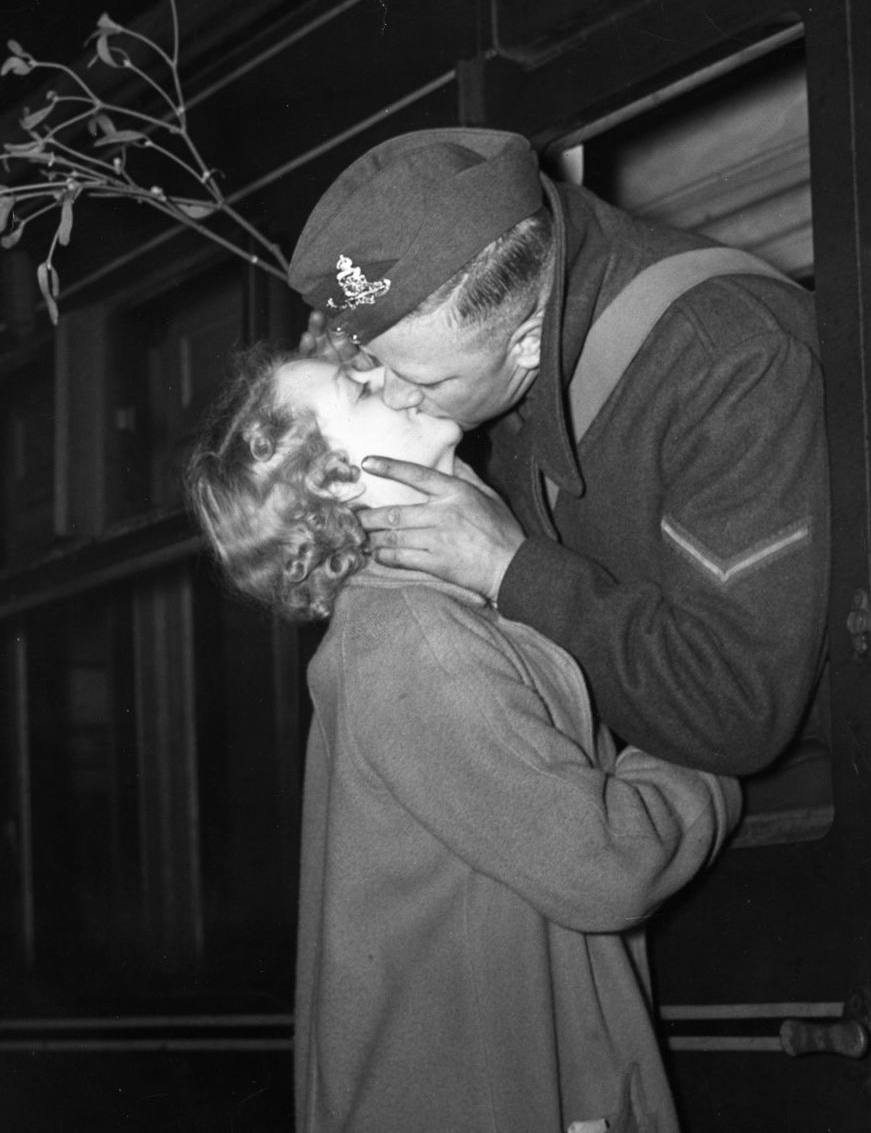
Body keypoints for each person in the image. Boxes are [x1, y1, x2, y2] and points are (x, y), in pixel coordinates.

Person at [185, 345, 741, 1133]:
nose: (396, 375)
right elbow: (607, 865)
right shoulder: (412, 640)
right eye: (360, 388)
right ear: (336, 488)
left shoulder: (429, 609)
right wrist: (713, 750)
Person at [287, 127, 830, 778]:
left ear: (527, 345)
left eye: (426, 382)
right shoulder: (490, 356)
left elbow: (737, 711)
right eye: (374, 366)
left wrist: (505, 567)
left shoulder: (729, 363)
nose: (397, 396)